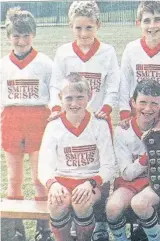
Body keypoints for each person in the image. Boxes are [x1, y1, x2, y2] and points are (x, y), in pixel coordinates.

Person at [48, 2, 120, 240]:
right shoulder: (63, 52)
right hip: (71, 116)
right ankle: (75, 223)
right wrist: (58, 108)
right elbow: (55, 84)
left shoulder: (107, 52)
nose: (84, 33)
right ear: (71, 27)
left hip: (97, 118)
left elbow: (113, 85)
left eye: (89, 27)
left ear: (98, 25)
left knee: (99, 169)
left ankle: (98, 225)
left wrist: (107, 108)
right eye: (78, 28)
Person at [38, 73, 116, 241]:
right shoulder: (54, 126)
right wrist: (52, 185)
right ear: (60, 98)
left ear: (90, 96)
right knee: (57, 203)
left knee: (82, 203)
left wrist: (91, 183)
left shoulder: (99, 124)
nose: (74, 103)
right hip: (62, 180)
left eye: (80, 97)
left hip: (91, 181)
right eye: (69, 98)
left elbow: (109, 166)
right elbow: (44, 166)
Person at [0, 7, 53, 241]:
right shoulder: (3, 64)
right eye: (16, 35)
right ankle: (15, 232)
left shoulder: (45, 63)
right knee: (14, 179)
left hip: (38, 119)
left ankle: (44, 230)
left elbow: (55, 93)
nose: (21, 40)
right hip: (12, 119)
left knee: (40, 178)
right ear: (7, 35)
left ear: (34, 34)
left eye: (25, 35)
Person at [106, 80, 160, 241]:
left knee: (140, 203)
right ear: (133, 102)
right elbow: (127, 174)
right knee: (112, 207)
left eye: (154, 103)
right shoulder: (123, 131)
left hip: (156, 183)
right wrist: (146, 158)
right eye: (142, 102)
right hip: (131, 182)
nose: (147, 108)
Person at [118, 0, 160, 131]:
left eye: (157, 20)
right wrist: (124, 112)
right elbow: (124, 83)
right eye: (147, 21)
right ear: (138, 23)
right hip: (137, 113)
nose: (152, 26)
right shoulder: (131, 49)